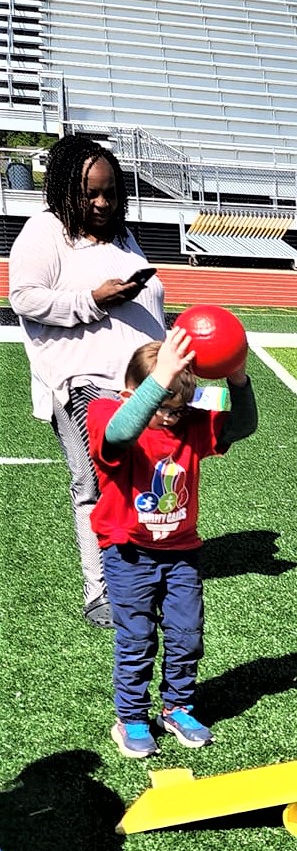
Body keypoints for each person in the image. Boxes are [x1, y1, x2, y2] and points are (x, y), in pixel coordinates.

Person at [8, 134, 166, 628]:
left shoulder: (121, 236)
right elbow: (24, 298)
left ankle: (136, 573)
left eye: (110, 193)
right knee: (93, 484)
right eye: (90, 193)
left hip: (139, 383)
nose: (101, 203)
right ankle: (100, 590)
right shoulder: (45, 230)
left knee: (141, 479)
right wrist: (92, 300)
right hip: (81, 381)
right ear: (64, 189)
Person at [85, 329, 257, 758]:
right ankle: (131, 717)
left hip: (181, 553)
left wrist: (238, 379)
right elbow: (120, 435)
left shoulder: (190, 423)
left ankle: (177, 706)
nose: (171, 418)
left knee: (186, 635)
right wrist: (159, 379)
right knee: (137, 638)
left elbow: (243, 426)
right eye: (163, 408)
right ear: (132, 393)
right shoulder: (107, 411)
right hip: (128, 552)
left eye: (179, 410)